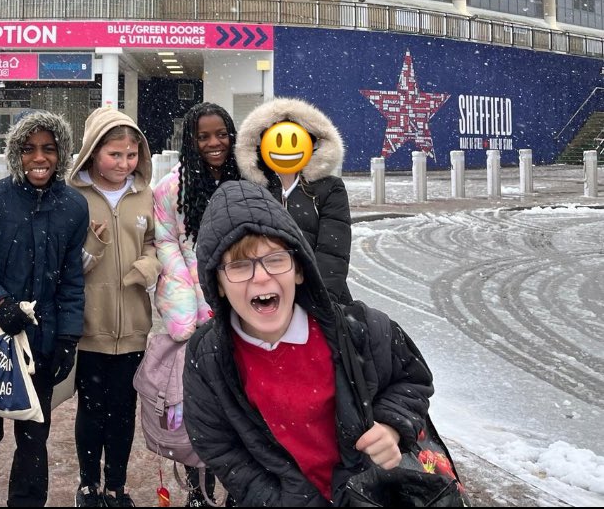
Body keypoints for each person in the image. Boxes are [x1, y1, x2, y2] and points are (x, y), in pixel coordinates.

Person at [182, 179, 435, 505]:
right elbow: (218, 445)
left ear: (299, 269)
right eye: (240, 265)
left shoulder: (360, 330)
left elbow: (411, 379)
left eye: (275, 259)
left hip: (369, 495)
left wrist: (391, 426)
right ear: (216, 283)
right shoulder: (208, 357)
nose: (261, 277)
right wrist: (277, 499)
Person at [0, 110, 89, 508]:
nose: (39, 158)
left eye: (48, 148)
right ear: (16, 153)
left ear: (61, 153)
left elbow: (71, 278)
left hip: (41, 341)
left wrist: (67, 336)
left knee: (34, 435)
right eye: (29, 149)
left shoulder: (73, 206)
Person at [68, 108, 161, 508]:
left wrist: (149, 266)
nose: (124, 163)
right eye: (114, 154)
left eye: (131, 155)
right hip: (91, 327)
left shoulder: (145, 196)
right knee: (91, 411)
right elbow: (67, 265)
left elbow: (157, 243)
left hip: (135, 326)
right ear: (93, 153)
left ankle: (116, 486)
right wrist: (93, 245)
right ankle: (89, 486)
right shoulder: (74, 198)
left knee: (124, 413)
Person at [152, 101, 240, 507]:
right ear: (190, 141)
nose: (214, 143)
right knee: (198, 409)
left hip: (243, 308)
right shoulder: (172, 187)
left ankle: (239, 489)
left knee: (241, 407)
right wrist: (190, 300)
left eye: (220, 133)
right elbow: (167, 241)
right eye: (203, 136)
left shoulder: (246, 180)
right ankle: (196, 492)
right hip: (196, 314)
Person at [235, 97, 353, 303]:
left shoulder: (329, 188)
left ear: (311, 142)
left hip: (322, 299)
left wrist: (320, 300)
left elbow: (333, 253)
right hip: (268, 299)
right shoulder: (251, 189)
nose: (286, 148)